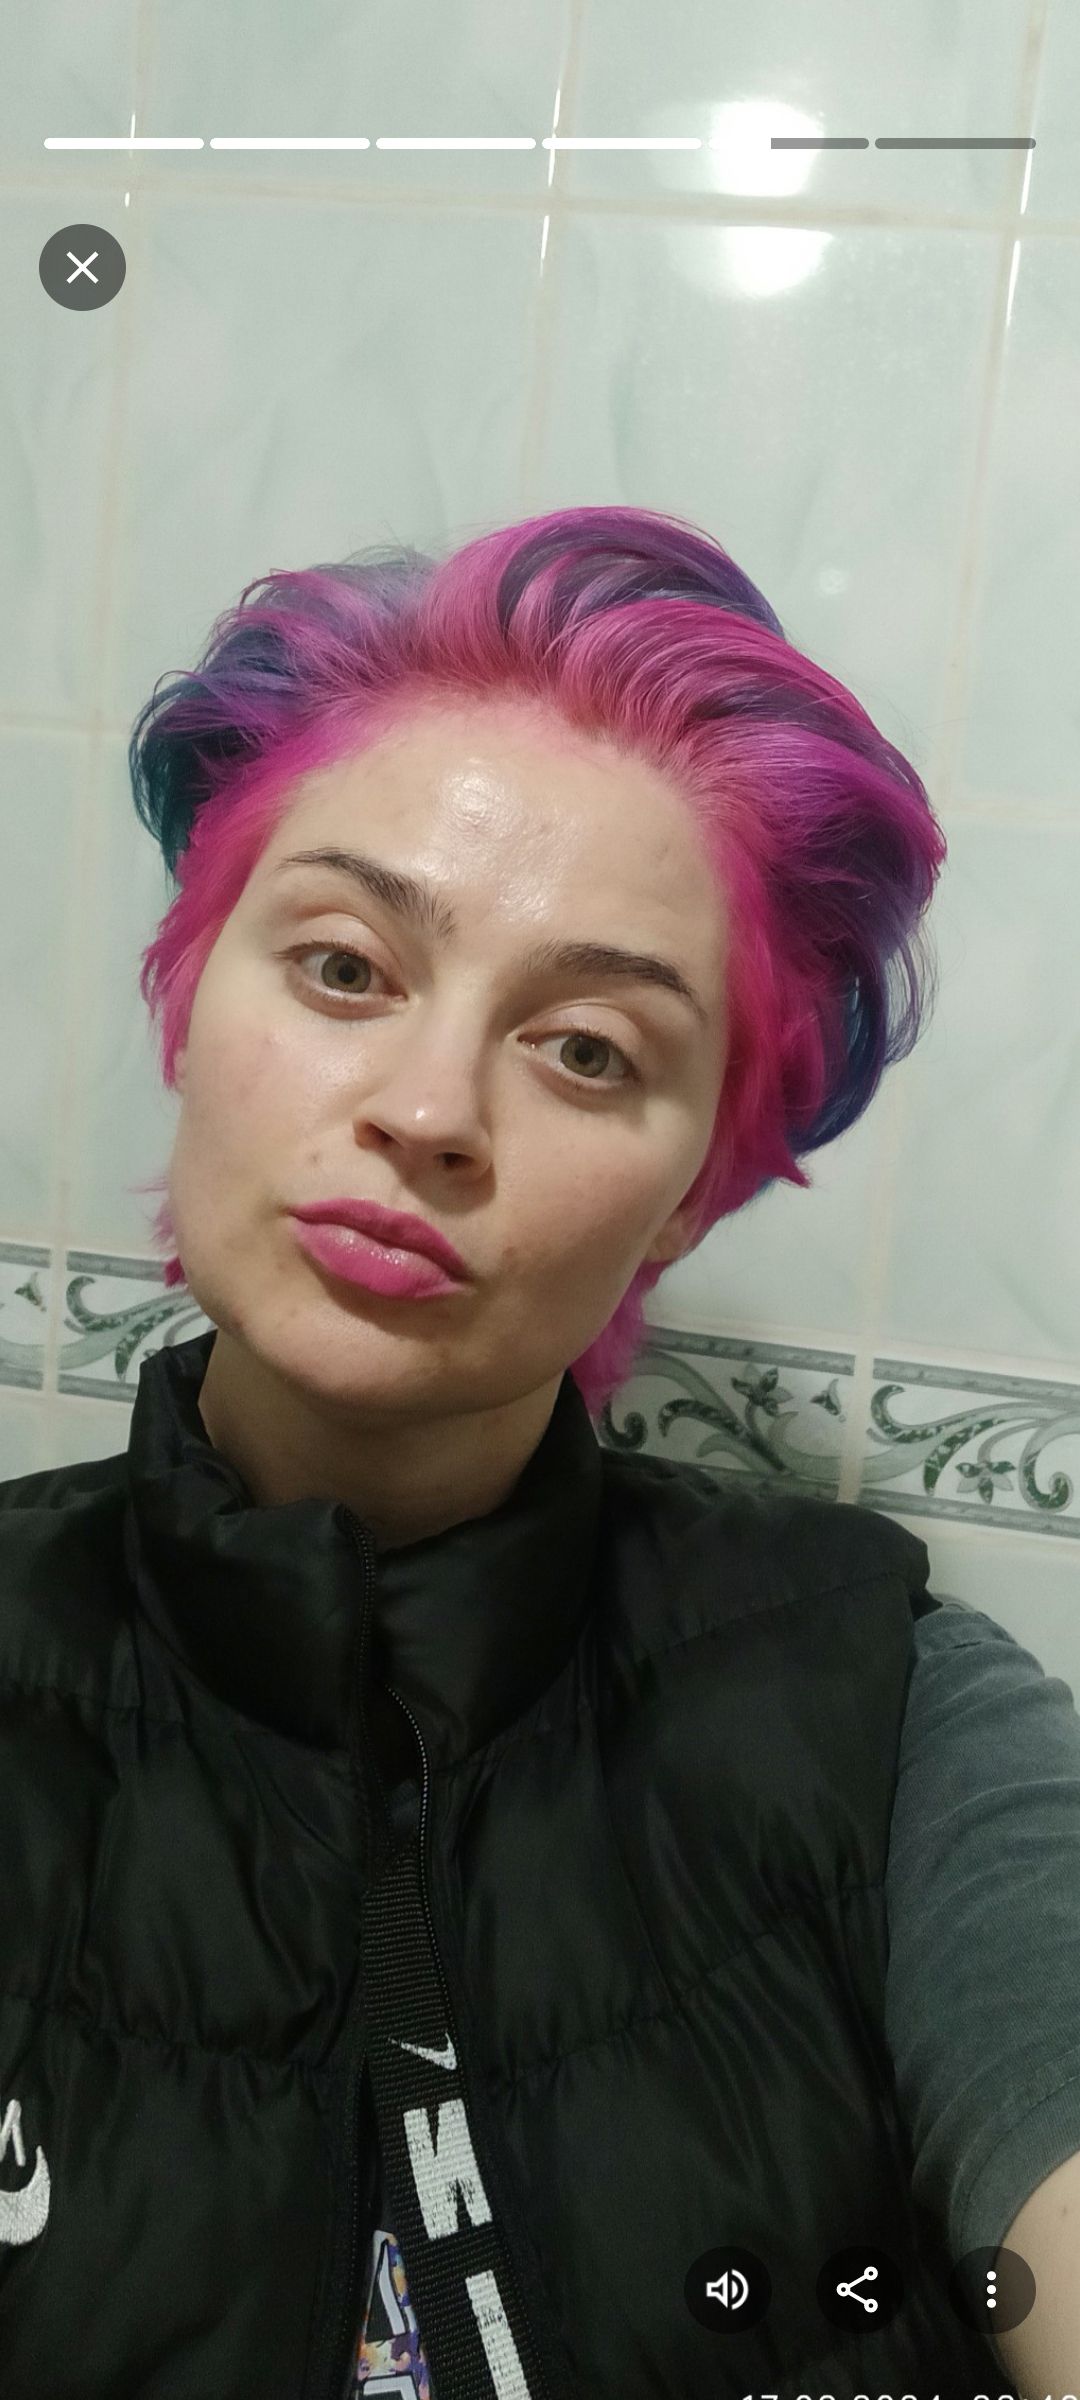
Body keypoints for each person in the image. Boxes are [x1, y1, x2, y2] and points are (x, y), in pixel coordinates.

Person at [1, 506, 1077, 2397]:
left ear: (692, 1196)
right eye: (343, 968)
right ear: (187, 997)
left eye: (588, 1050)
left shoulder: (895, 1709)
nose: (428, 1109)